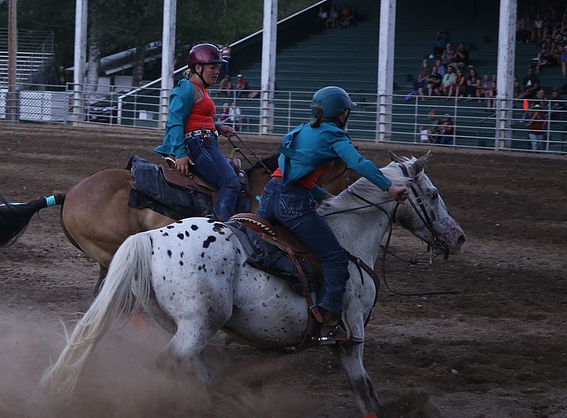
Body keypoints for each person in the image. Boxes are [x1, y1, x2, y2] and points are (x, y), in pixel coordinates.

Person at [257, 86, 410, 344]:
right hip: (292, 205)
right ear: (341, 114)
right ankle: (327, 325)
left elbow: (290, 174)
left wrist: (323, 197)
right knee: (335, 259)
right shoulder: (335, 136)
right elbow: (359, 164)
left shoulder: (301, 130)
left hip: (269, 197)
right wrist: (390, 187)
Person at [155, 42, 239, 222]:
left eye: (218, 67)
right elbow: (175, 121)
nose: (217, 72)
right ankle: (220, 229)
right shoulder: (185, 89)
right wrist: (180, 154)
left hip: (205, 142)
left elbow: (197, 118)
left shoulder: (201, 89)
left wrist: (218, 127)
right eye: (213, 67)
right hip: (199, 146)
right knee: (230, 183)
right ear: (198, 67)